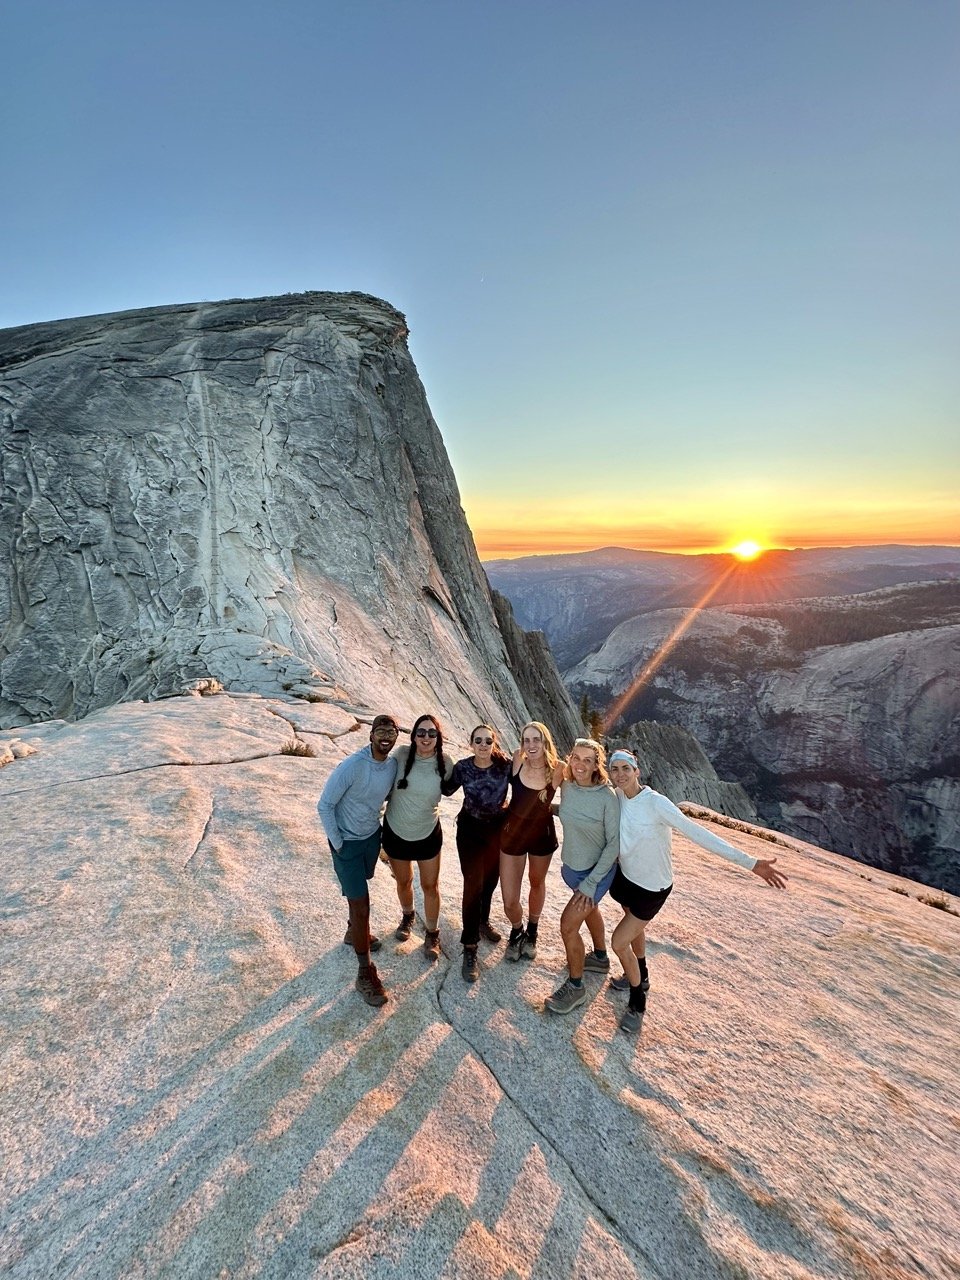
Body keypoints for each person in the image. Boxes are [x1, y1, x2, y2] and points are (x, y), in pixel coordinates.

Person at [607, 749, 788, 1034]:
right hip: (626, 879)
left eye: (625, 769)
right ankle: (641, 975)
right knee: (634, 930)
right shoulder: (617, 796)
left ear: (637, 771)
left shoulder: (656, 804)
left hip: (652, 888)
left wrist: (750, 863)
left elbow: (697, 833)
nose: (619, 774)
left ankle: (637, 1001)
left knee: (619, 942)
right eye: (614, 769)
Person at [317, 714, 400, 1008]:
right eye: (380, 731)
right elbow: (325, 805)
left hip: (369, 837)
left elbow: (388, 794)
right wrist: (338, 844)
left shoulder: (391, 766)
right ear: (371, 735)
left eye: (391, 732)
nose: (385, 737)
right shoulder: (352, 766)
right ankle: (365, 973)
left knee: (363, 886)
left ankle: (354, 932)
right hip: (347, 843)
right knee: (362, 903)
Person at [545, 738, 621, 1015]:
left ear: (595, 765)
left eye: (587, 760)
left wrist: (590, 884)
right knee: (589, 912)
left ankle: (576, 988)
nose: (579, 764)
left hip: (595, 874)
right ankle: (600, 957)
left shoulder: (606, 797)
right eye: (576, 758)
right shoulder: (568, 787)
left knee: (568, 926)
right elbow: (568, 812)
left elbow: (614, 844)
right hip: (573, 871)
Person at [442, 724, 511, 982]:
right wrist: (439, 762)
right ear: (471, 743)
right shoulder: (463, 767)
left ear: (494, 743)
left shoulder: (504, 766)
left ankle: (483, 921)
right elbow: (446, 788)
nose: (483, 745)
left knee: (491, 881)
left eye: (488, 741)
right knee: (473, 884)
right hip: (469, 831)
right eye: (478, 740)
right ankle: (470, 947)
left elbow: (526, 781)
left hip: (495, 832)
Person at [383, 714, 454, 960]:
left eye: (432, 733)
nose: (426, 737)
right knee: (403, 882)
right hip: (395, 831)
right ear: (413, 736)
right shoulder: (401, 755)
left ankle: (432, 932)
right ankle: (408, 916)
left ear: (438, 737)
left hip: (427, 834)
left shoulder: (445, 762)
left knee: (430, 886)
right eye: (421, 733)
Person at [500, 721, 562, 962]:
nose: (531, 744)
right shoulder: (517, 760)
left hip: (542, 835)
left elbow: (580, 792)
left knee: (536, 882)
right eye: (527, 740)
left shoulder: (558, 769)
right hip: (513, 834)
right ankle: (517, 930)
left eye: (536, 739)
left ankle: (532, 931)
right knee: (509, 900)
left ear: (545, 742)